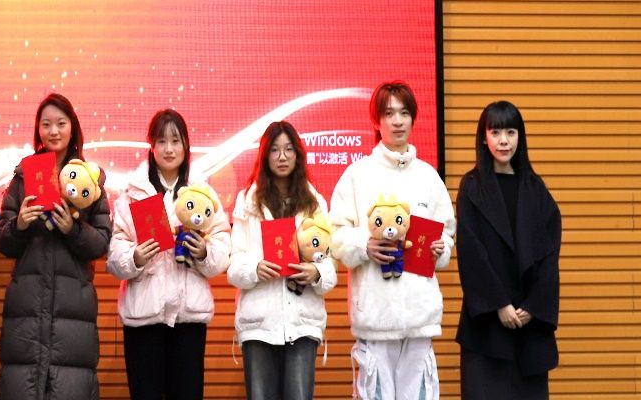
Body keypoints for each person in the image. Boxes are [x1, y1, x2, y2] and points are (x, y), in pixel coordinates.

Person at [329, 81, 455, 400]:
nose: (397, 121)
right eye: (389, 113)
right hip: (375, 315)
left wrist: (441, 249)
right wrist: (364, 245)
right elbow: (336, 234)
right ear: (377, 121)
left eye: (404, 113)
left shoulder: (428, 177)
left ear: (413, 118)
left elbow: (446, 232)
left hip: (420, 317)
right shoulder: (357, 174)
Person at [106, 109, 230, 400]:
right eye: (161, 141)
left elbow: (223, 247)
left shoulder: (203, 193)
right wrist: (134, 257)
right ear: (151, 146)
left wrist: (204, 252)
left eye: (176, 141)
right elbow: (114, 254)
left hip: (188, 320)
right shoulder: (132, 195)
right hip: (143, 318)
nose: (169, 149)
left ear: (186, 145)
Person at [0, 92, 110, 400]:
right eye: (46, 124)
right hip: (27, 307)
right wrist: (20, 225)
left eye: (61, 123)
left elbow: (102, 242)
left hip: (73, 309)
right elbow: (3, 239)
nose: (54, 131)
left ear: (73, 127)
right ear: (38, 129)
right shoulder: (23, 176)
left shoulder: (89, 179)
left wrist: (73, 229)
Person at [456, 101, 561, 399]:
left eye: (511, 132)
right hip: (487, 328)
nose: (504, 141)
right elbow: (471, 251)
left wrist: (533, 306)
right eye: (496, 132)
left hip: (529, 325)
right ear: (484, 137)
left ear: (520, 137)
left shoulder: (536, 189)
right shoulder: (471, 186)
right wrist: (499, 304)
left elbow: (549, 255)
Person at [227, 121, 336, 400]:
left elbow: (330, 267)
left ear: (298, 154)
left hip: (302, 323)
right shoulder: (247, 202)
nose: (282, 156)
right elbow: (233, 267)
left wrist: (316, 272)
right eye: (274, 150)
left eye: (289, 149)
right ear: (264, 156)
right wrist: (255, 269)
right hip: (259, 325)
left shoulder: (314, 202)